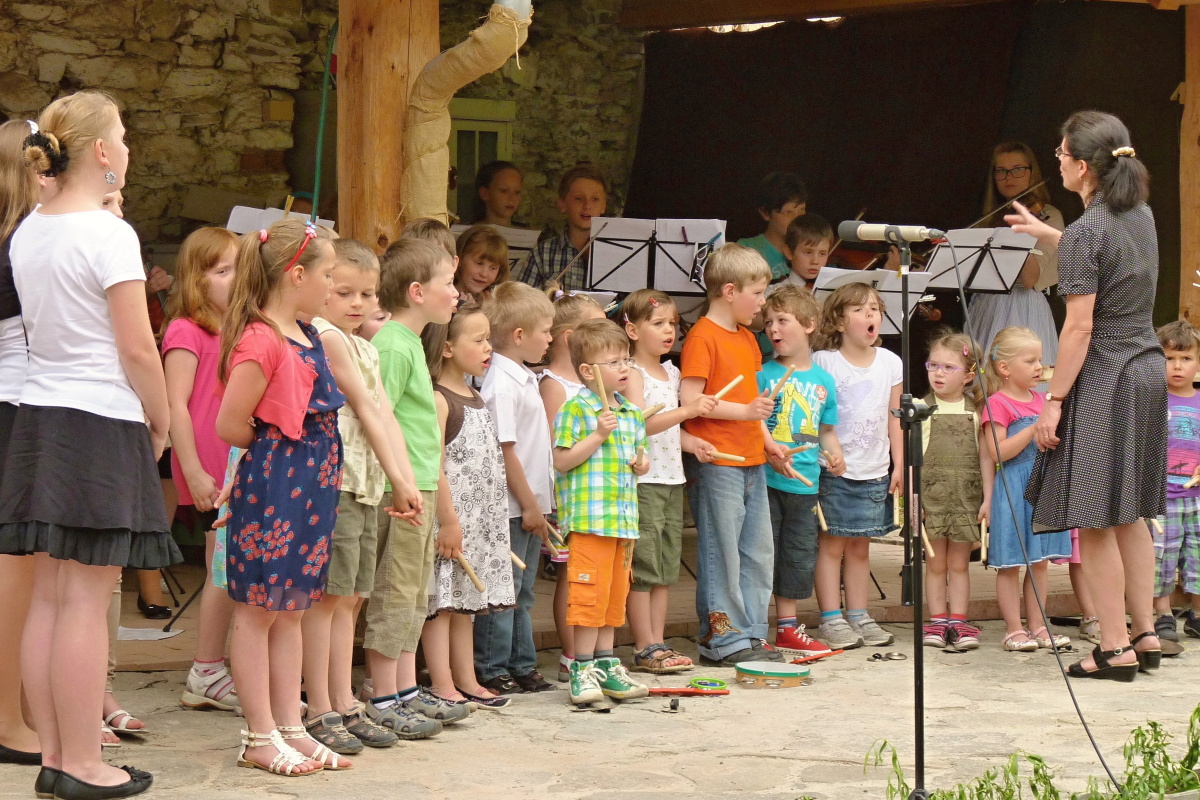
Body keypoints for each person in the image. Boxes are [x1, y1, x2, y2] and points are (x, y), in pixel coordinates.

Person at [0, 91, 177, 799]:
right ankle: (81, 761)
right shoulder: (109, 233)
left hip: (39, 420)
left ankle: (57, 755)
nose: (127, 149)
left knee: (49, 599)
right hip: (100, 419)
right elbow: (137, 346)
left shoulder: (29, 230)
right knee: (83, 602)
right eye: (123, 137)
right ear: (101, 151)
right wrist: (160, 418)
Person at [1010, 110, 1165, 681]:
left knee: (1096, 518)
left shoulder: (1087, 232)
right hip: (1146, 371)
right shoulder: (1139, 213)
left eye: (1060, 154)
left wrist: (1052, 400)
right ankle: (1146, 634)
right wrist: (1051, 235)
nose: (1056, 161)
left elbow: (1078, 328)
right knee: (1131, 515)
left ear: (1081, 167)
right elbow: (1105, 255)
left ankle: (1114, 647)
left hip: (1106, 379)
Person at [215, 218, 351, 775]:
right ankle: (258, 735)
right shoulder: (261, 339)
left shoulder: (309, 333)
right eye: (329, 275)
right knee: (257, 610)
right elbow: (230, 423)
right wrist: (274, 458)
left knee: (292, 608)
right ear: (297, 275)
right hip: (275, 485)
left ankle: (291, 727)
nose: (332, 287)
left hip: (313, 486)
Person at [301, 238, 424, 754]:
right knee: (329, 599)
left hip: (366, 485)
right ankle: (322, 705)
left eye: (367, 294)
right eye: (345, 291)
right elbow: (367, 410)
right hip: (339, 481)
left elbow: (386, 414)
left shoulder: (365, 346)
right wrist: (400, 478)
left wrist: (403, 479)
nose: (357, 303)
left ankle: (343, 698)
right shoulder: (326, 336)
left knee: (350, 598)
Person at [362, 238, 465, 735]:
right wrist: (402, 481)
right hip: (400, 489)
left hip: (418, 486)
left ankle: (404, 690)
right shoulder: (392, 345)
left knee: (413, 595)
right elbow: (377, 418)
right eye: (449, 282)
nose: (457, 293)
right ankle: (384, 696)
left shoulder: (408, 343)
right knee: (395, 592)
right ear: (418, 291)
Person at [680, 243, 782, 667]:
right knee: (721, 552)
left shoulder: (746, 338)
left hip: (751, 458)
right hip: (717, 461)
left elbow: (752, 401)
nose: (762, 303)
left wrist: (768, 441)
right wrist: (745, 413)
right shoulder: (702, 337)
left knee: (757, 552)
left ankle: (753, 632)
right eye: (756, 293)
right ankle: (722, 639)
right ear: (728, 291)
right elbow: (690, 400)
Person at [164, 226, 242, 715]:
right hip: (208, 463)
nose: (233, 279)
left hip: (237, 461)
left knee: (232, 566)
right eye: (222, 271)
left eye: (238, 269)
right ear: (196, 278)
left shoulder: (239, 328)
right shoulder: (185, 330)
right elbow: (175, 403)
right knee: (220, 566)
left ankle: (222, 665)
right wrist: (191, 470)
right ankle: (207, 668)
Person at [421, 303, 515, 709]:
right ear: (447, 347)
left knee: (464, 606)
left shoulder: (475, 395)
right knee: (441, 606)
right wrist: (448, 521)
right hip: (451, 522)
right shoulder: (439, 399)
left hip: (477, 523)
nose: (488, 347)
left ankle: (466, 679)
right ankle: (441, 683)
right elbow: (435, 465)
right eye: (478, 340)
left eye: (488, 339)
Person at [552, 318, 650, 704]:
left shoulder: (632, 413)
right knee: (588, 598)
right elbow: (562, 461)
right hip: (590, 521)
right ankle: (582, 668)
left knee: (613, 598)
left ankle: (607, 666)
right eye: (614, 362)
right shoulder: (576, 409)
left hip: (623, 522)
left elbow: (640, 458)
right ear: (588, 370)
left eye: (627, 360)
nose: (624, 368)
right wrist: (598, 435)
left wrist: (641, 464)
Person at [621, 289, 715, 672]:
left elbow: (671, 430)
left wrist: (694, 444)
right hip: (643, 482)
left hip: (672, 480)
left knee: (664, 567)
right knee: (644, 567)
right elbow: (639, 424)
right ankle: (643, 644)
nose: (668, 331)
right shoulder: (632, 373)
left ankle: (658, 642)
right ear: (632, 330)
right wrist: (688, 410)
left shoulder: (672, 372)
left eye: (672, 323)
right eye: (658, 323)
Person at [476, 281, 556, 694]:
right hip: (513, 505)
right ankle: (491, 667)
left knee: (523, 591)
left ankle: (521, 662)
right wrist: (528, 504)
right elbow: (505, 450)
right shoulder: (501, 384)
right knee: (502, 590)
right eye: (546, 331)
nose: (551, 338)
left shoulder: (523, 377)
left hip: (531, 503)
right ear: (520, 335)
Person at [811, 283, 901, 650]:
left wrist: (900, 464)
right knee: (831, 545)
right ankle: (831, 617)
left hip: (875, 468)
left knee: (861, 547)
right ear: (838, 321)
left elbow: (895, 417)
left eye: (874, 309)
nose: (870, 315)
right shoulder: (824, 361)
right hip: (835, 470)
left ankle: (859, 615)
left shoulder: (890, 362)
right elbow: (814, 416)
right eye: (860, 310)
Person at [757, 286, 843, 657]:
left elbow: (825, 431)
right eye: (768, 322)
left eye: (782, 320)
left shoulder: (823, 381)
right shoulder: (762, 373)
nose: (773, 329)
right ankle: (755, 627)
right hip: (766, 479)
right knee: (763, 555)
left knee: (797, 555)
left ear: (809, 324)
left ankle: (787, 629)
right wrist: (769, 452)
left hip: (806, 484)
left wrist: (835, 455)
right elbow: (751, 424)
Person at [978, 327, 1072, 653]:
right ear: (1004, 368)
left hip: (1044, 489)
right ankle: (1013, 629)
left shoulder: (1044, 401)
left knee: (1040, 563)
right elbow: (997, 453)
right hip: (1013, 490)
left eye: (1039, 360)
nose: (1038, 367)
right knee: (1010, 564)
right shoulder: (997, 403)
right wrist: (1034, 427)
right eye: (1029, 361)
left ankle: (1038, 625)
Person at [536, 286, 606, 681]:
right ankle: (570, 653)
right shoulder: (555, 385)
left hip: (600, 492)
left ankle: (594, 651)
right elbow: (554, 447)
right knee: (572, 573)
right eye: (597, 329)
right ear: (570, 338)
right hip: (570, 496)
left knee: (597, 573)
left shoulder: (597, 384)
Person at [0, 119, 41, 766]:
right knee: (17, 573)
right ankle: (8, 720)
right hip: (18, 407)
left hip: (23, 403)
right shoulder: (20, 244)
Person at [967, 142, 1063, 374]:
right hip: (986, 306)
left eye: (1017, 169)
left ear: (1031, 173)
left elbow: (1030, 279)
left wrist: (1021, 234)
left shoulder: (1048, 216)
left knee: (1024, 380)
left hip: (1024, 307)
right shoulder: (989, 219)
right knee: (985, 381)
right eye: (1001, 171)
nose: (1008, 177)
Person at [919, 331, 987, 651]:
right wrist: (913, 501)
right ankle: (937, 621)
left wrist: (986, 499)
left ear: (969, 376)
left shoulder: (976, 411)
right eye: (933, 365)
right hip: (931, 499)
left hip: (965, 499)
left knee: (959, 564)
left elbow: (985, 458)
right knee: (935, 563)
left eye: (948, 367)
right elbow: (912, 459)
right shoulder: (920, 409)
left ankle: (958, 621)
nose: (939, 373)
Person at [1152, 321, 1200, 642]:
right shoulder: (1154, 401)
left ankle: (1197, 615)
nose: (1178, 366)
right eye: (1169, 358)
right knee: (1161, 559)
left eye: (1186, 358)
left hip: (1196, 498)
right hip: (1162, 499)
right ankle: (1163, 614)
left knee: (1198, 556)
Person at [515, 163, 607, 291]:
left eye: (595, 199)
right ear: (562, 204)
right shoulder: (542, 253)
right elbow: (521, 300)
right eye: (579, 198)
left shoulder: (613, 254)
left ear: (604, 206)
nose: (587, 205)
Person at [737, 172, 808, 282]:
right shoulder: (746, 250)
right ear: (765, 213)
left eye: (801, 210)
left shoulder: (812, 247)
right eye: (787, 212)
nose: (797, 218)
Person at [776, 213, 833, 290]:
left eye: (822, 254)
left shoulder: (833, 291)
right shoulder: (774, 292)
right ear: (789, 252)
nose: (815, 261)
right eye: (808, 252)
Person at [454, 224, 509, 302]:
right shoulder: (441, 293)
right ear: (459, 259)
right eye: (479, 263)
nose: (484, 274)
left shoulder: (494, 303)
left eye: (493, 268)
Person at [472, 161, 524, 227]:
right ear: (484, 193)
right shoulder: (468, 232)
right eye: (504, 191)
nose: (512, 198)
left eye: (517, 192)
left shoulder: (527, 233)